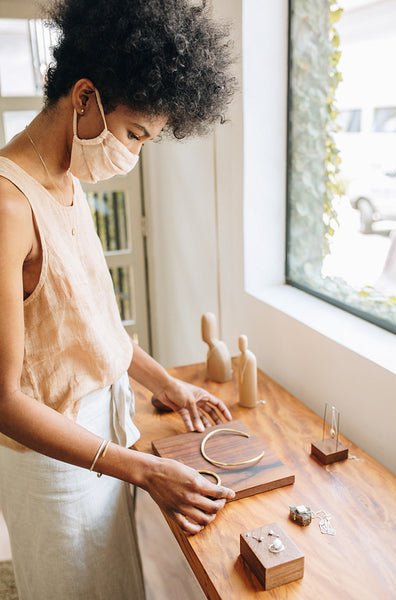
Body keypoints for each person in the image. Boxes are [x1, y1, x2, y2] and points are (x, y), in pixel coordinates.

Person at [0, 0, 237, 598]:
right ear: (84, 98)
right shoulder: (8, 207)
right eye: (133, 134)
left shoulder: (69, 182)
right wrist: (143, 467)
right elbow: (2, 401)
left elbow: (89, 325)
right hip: (57, 464)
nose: (131, 154)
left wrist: (167, 384)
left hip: (105, 440)